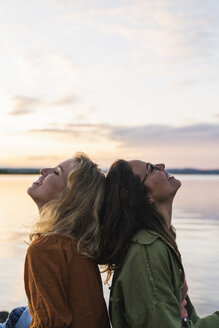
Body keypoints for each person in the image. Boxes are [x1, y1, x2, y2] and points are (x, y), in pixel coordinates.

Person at [99, 159, 219, 328]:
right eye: (151, 168)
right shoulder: (146, 252)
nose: (161, 166)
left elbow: (188, 320)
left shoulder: (160, 241)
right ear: (146, 196)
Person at [1, 153, 110, 328]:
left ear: (68, 196)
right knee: (23, 312)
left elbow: (51, 324)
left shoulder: (46, 249)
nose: (43, 170)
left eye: (56, 172)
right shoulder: (77, 245)